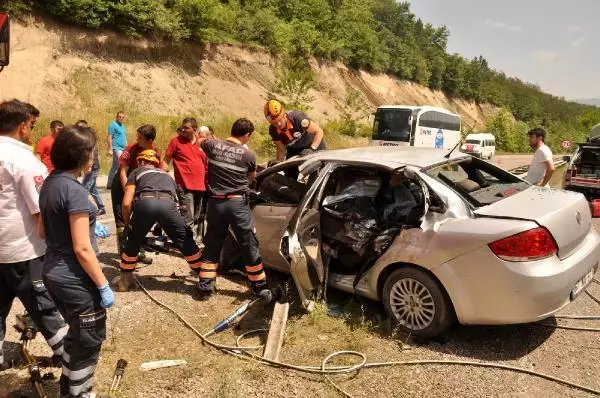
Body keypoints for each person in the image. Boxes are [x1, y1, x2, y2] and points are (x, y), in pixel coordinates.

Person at [39, 125, 114, 398]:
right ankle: (81, 392)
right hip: (74, 277)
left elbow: (42, 230)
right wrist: (103, 283)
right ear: (81, 156)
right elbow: (83, 249)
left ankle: (67, 386)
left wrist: (86, 225)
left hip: (52, 270)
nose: (94, 157)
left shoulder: (50, 182)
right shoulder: (76, 191)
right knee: (89, 338)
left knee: (76, 331)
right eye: (92, 152)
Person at [0, 100, 67, 372]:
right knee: (43, 306)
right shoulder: (24, 161)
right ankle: (69, 357)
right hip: (22, 249)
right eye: (31, 125)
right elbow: (41, 211)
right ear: (23, 126)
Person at [196, 118, 269, 299]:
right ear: (247, 135)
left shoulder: (212, 146)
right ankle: (259, 287)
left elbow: (199, 140)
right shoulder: (249, 156)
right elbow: (251, 179)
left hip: (215, 204)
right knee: (248, 244)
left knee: (212, 243)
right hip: (237, 204)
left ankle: (205, 287)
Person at [113, 149, 202, 292]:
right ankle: (205, 278)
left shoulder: (136, 173)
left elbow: (126, 203)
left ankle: (125, 281)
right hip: (168, 205)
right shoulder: (167, 176)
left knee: (133, 241)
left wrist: (128, 224)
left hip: (145, 204)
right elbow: (178, 202)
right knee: (184, 240)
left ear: (141, 161)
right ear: (156, 164)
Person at [111, 125, 166, 263]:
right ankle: (124, 253)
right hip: (122, 186)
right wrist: (127, 191)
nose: (137, 139)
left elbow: (157, 171)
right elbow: (123, 171)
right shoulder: (131, 148)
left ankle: (137, 251)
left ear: (150, 140)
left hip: (139, 188)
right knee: (122, 221)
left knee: (139, 220)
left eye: (140, 137)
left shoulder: (156, 151)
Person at [164, 118, 208, 243]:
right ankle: (189, 247)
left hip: (201, 186)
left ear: (194, 130)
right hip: (184, 185)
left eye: (186, 128)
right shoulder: (176, 141)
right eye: (182, 127)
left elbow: (205, 165)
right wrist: (166, 176)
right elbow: (166, 160)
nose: (182, 129)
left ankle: (190, 242)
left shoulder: (201, 144)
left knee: (197, 217)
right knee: (187, 218)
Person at [79, 120, 106, 216]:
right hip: (91, 167)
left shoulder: (90, 140)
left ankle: (83, 209)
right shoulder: (86, 139)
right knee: (93, 189)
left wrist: (89, 166)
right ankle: (101, 207)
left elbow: (92, 155)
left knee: (84, 189)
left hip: (93, 167)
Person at [107, 111, 127, 189]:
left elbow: (124, 137)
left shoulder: (122, 126)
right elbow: (109, 137)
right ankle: (119, 183)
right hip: (116, 148)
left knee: (115, 166)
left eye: (122, 117)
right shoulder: (113, 125)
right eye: (119, 116)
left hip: (122, 148)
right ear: (116, 117)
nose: (121, 118)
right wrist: (110, 149)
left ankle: (110, 184)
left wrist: (126, 147)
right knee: (121, 164)